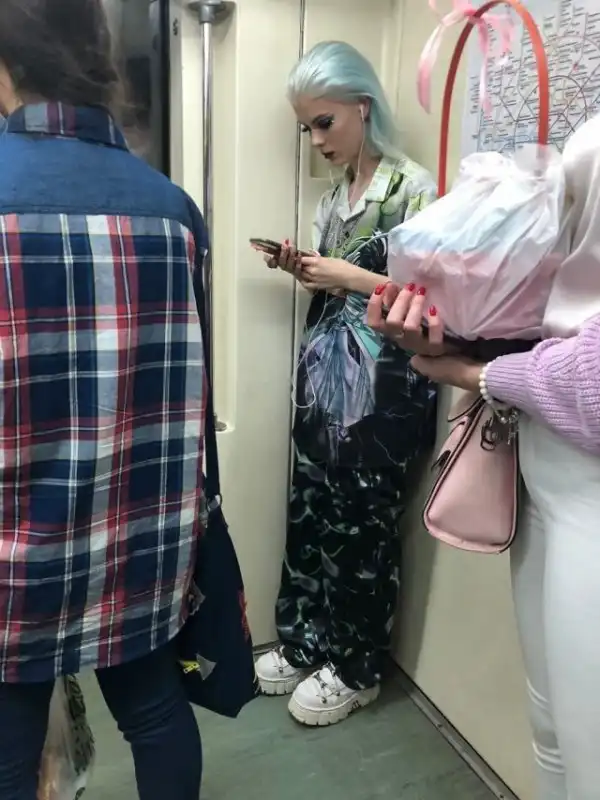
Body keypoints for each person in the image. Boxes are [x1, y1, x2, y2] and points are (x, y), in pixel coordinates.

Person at [0, 2, 209, 798]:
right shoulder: (171, 208)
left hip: (14, 543)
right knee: (156, 713)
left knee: (9, 748)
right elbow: (191, 391)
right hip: (140, 532)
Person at [367, 114, 600, 799]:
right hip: (545, 464)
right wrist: (461, 337)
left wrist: (481, 374)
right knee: (551, 730)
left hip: (589, 485)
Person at [254, 41, 438, 727]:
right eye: (307, 127)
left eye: (324, 122)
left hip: (383, 390)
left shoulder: (414, 190)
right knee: (310, 511)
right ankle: (306, 639)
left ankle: (357, 666)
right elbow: (339, 288)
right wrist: (305, 267)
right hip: (324, 382)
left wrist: (346, 275)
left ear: (363, 107)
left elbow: (430, 298)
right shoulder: (333, 200)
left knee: (363, 525)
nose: (316, 139)